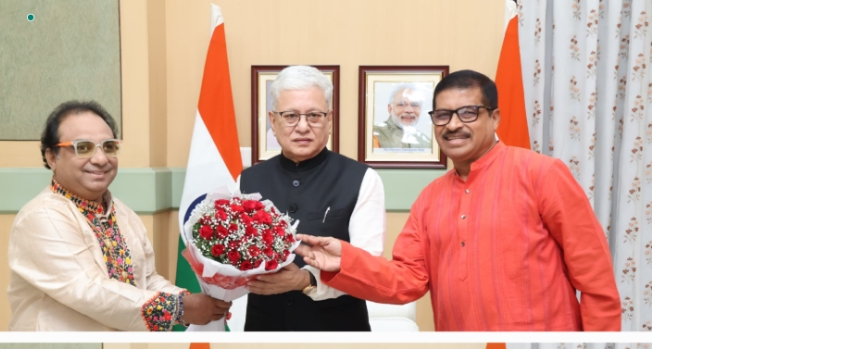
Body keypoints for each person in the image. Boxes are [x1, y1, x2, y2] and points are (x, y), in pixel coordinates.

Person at [296, 70, 622, 331]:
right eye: (442, 115)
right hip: (464, 348)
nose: (453, 125)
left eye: (468, 113)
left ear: (494, 118)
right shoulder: (430, 198)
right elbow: (407, 280)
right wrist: (346, 261)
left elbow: (595, 278)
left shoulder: (541, 173)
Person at [8, 100, 230, 331]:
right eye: (83, 147)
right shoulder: (41, 217)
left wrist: (201, 303)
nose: (101, 159)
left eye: (109, 147)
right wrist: (181, 307)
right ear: (52, 157)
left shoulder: (122, 213)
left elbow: (147, 280)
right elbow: (89, 291)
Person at [241, 66, 386, 331]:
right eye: (291, 116)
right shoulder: (247, 180)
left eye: (314, 116)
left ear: (329, 120)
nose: (303, 127)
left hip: (338, 327)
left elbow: (369, 265)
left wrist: (306, 280)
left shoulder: (362, 178)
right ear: (273, 121)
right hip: (264, 328)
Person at [372, 85, 432, 149]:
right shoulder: (373, 135)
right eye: (401, 104)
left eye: (415, 105)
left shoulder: (427, 143)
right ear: (390, 109)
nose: (409, 110)